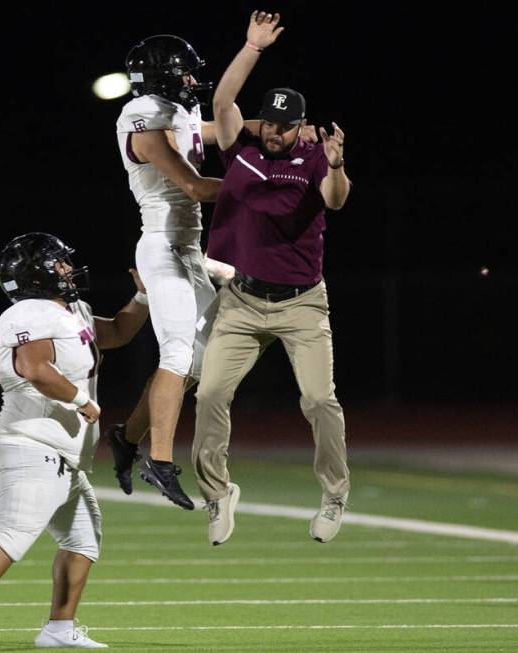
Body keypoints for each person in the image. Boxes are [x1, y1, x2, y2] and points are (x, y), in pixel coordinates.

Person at [108, 33, 314, 508]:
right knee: (178, 354)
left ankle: (127, 436)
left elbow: (214, 129)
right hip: (161, 245)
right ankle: (159, 461)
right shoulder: (142, 121)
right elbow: (195, 186)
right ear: (161, 77)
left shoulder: (174, 114)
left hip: (188, 249)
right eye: (182, 71)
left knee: (204, 360)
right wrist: (268, 184)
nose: (190, 78)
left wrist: (283, 127)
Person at [0, 232, 149, 650]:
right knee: (15, 529)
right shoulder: (28, 312)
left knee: (83, 539)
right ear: (36, 275)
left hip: (62, 451)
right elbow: (35, 367)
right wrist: (82, 399)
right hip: (30, 442)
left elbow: (119, 332)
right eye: (58, 263)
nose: (68, 269)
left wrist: (141, 298)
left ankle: (59, 628)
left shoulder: (74, 311)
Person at [191, 11, 353, 546]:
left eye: (288, 125)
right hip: (241, 299)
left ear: (301, 123)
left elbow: (335, 200)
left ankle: (333, 495)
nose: (279, 132)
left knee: (317, 400)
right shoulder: (245, 148)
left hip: (302, 304)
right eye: (272, 123)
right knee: (210, 392)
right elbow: (221, 104)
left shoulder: (313, 158)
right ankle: (218, 493)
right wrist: (251, 48)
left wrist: (334, 165)